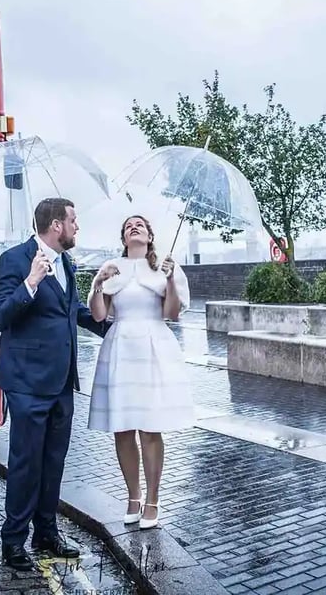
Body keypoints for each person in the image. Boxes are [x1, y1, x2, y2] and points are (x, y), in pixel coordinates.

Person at [0, 197, 107, 570]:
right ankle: (13, 543)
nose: (77, 227)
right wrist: (30, 282)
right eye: (73, 220)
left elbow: (72, 311)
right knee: (25, 464)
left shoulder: (67, 263)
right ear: (56, 225)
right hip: (26, 383)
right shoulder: (14, 259)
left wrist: (117, 328)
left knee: (53, 463)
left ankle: (46, 532)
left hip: (61, 382)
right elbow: (1, 318)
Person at [87, 214, 195, 530]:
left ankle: (153, 500)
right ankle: (133, 497)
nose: (134, 227)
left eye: (140, 225)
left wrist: (172, 279)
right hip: (120, 347)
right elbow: (99, 314)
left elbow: (171, 313)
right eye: (128, 226)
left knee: (150, 427)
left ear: (149, 235)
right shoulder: (112, 267)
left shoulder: (164, 265)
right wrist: (97, 284)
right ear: (123, 238)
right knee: (122, 428)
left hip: (153, 347)